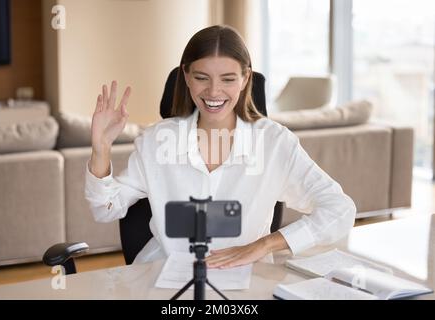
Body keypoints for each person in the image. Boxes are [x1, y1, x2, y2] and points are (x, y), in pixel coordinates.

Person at [85, 25, 356, 268]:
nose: (214, 92)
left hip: (248, 279)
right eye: (202, 77)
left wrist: (262, 246)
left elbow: (340, 209)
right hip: (165, 275)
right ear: (186, 76)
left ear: (245, 78)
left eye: (227, 79)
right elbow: (105, 208)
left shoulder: (274, 142)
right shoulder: (157, 140)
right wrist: (101, 148)